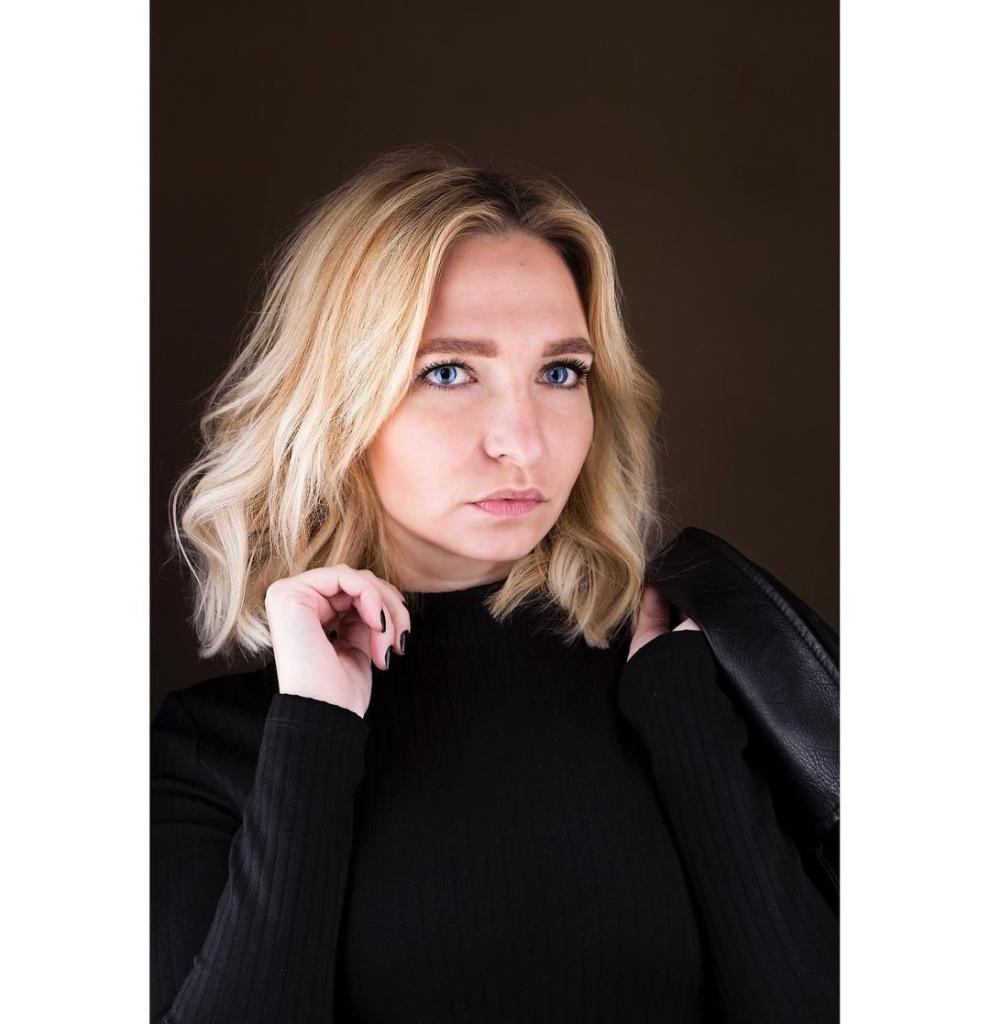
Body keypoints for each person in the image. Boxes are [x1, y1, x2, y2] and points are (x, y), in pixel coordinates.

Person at [153, 145, 839, 1022]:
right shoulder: (211, 749)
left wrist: (693, 738)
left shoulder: (698, 679)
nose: (523, 440)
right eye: (447, 371)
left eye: (561, 373)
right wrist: (314, 733)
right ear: (334, 403)